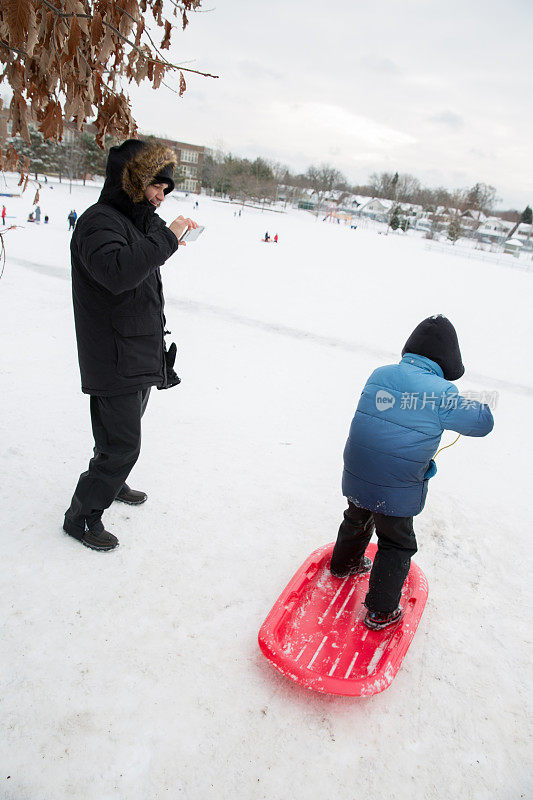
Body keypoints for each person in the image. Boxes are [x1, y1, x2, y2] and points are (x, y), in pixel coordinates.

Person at [63, 138, 198, 551]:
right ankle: (81, 518)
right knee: (121, 446)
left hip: (138, 350)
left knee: (121, 436)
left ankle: (113, 481)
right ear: (133, 180)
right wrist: (167, 239)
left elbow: (147, 258)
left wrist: (166, 235)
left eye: (166, 189)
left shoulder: (139, 220)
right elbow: (118, 273)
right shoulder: (97, 222)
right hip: (113, 355)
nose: (160, 196)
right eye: (156, 185)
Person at [330, 315, 494, 630]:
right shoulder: (442, 394)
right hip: (395, 484)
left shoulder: (380, 374)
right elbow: (481, 423)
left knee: (358, 513)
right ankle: (380, 611)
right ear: (449, 359)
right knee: (395, 541)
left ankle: (344, 563)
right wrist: (478, 405)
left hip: (357, 468)